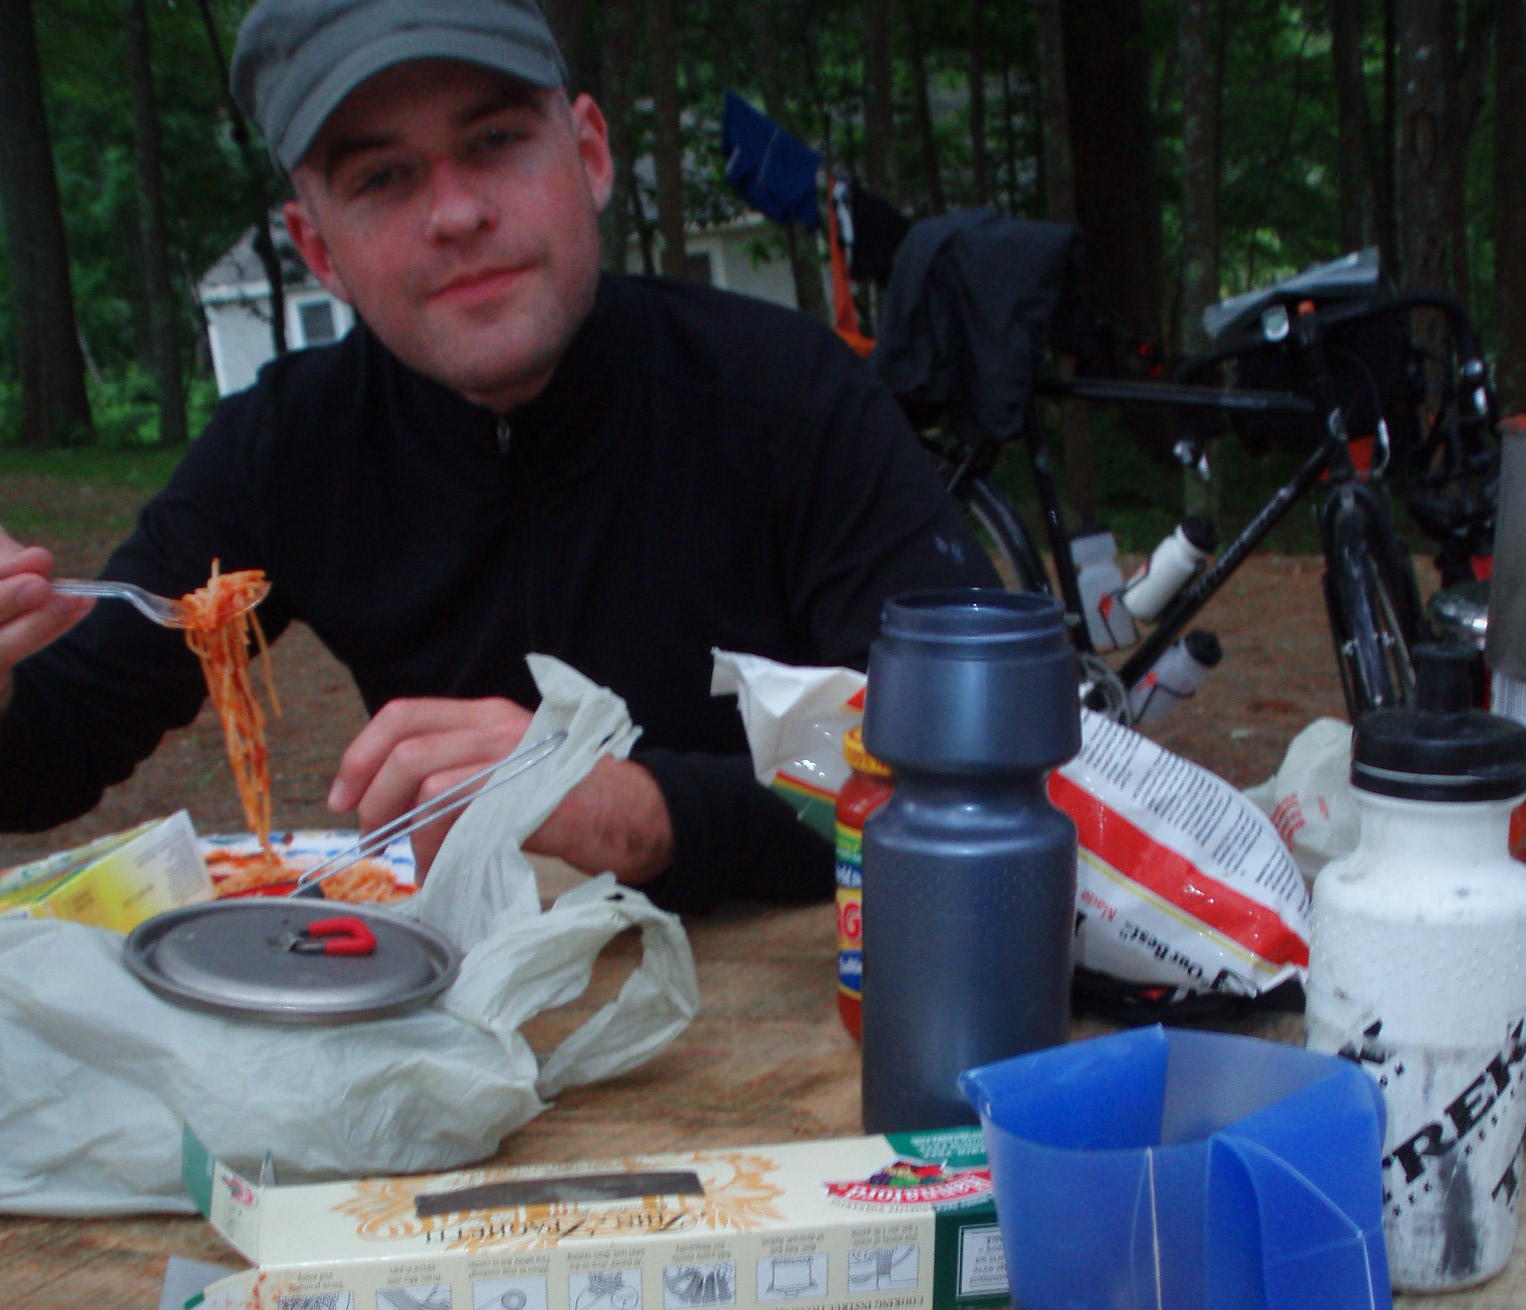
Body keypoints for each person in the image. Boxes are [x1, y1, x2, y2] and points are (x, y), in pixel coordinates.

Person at [0, 0, 995, 910]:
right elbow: (53, 747)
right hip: (465, 1030)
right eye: (383, 176)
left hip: (807, 1020)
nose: (457, 213)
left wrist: (638, 810)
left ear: (592, 154)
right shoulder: (288, 448)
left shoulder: (794, 399)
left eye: (496, 140)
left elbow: (975, 763)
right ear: (319, 250)